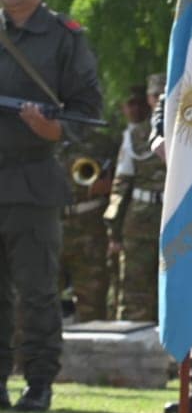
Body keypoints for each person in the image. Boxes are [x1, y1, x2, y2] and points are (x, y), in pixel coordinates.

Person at [0, 0, 103, 412]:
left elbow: (88, 111)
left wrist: (55, 128)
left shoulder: (65, 37)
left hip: (32, 179)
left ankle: (39, 381)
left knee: (38, 290)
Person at [108, 76, 166, 322]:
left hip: (175, 216)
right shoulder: (135, 135)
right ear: (150, 99)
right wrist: (114, 228)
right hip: (140, 219)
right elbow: (122, 182)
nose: (160, 99)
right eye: (156, 96)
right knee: (135, 289)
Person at [60, 118, 117, 323]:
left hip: (90, 228)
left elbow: (121, 182)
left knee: (92, 300)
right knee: (39, 299)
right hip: (49, 226)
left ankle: (93, 352)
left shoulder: (102, 143)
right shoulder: (37, 140)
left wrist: (109, 184)